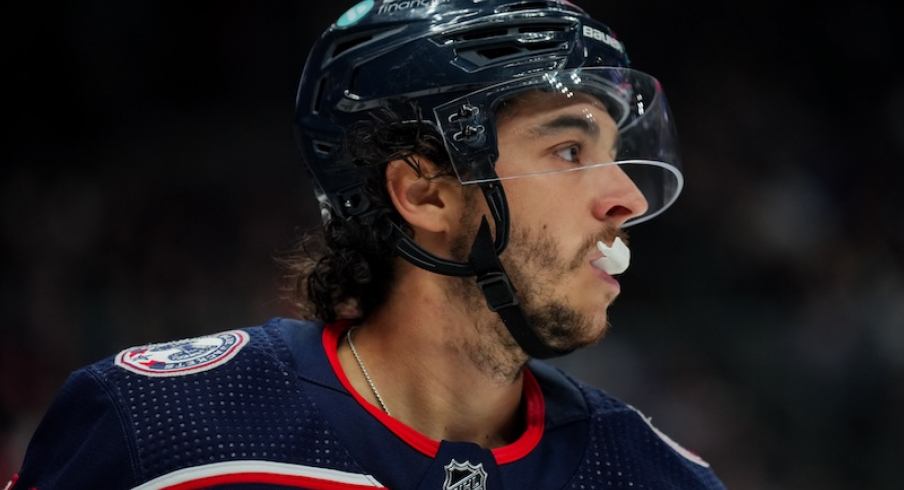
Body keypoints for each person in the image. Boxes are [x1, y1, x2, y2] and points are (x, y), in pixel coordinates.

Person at [7, 1, 726, 489]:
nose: (627, 197)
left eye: (613, 152)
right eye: (570, 149)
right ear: (425, 193)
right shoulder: (155, 430)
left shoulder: (660, 476)